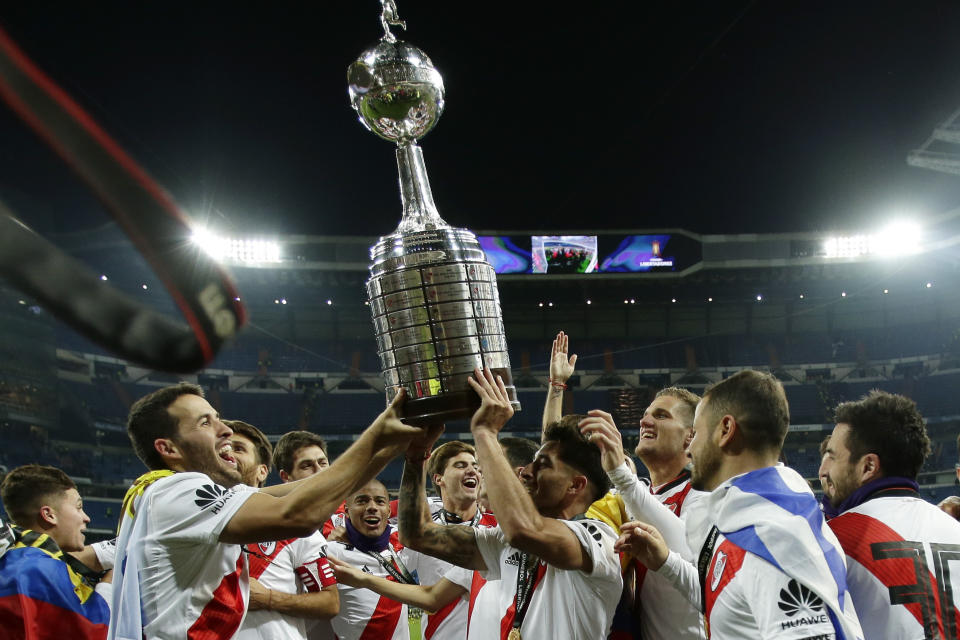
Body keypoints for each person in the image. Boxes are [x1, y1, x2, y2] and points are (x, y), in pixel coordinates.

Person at [108, 382, 425, 640]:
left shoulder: (156, 494)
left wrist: (397, 446)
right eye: (206, 422)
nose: (226, 431)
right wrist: (377, 433)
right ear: (168, 449)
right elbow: (297, 515)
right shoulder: (175, 491)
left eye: (218, 418)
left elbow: (295, 491)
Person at [616, 370, 863, 640]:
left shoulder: (774, 535)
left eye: (697, 433)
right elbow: (730, 602)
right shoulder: (747, 515)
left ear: (725, 430)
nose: (690, 449)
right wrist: (665, 563)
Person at [400, 368, 623, 640]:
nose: (526, 472)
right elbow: (417, 535)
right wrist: (416, 459)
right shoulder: (504, 543)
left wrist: (485, 433)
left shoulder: (598, 540)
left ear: (575, 486)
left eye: (543, 465)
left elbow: (524, 530)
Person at [547, 331, 704, 640]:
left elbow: (698, 569)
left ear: (690, 436)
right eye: (645, 415)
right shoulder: (631, 497)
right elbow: (555, 469)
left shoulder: (703, 494)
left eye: (661, 416)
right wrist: (556, 388)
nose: (645, 421)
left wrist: (621, 472)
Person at [821, 391, 960, 639]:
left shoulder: (831, 540)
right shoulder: (954, 529)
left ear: (868, 467)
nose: (826, 469)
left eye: (833, 457)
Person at [226, 420, 339, 640]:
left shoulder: (294, 526)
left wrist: (268, 598)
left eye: (238, 449)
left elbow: (329, 602)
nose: (229, 454)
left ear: (262, 471)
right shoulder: (196, 522)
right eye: (224, 448)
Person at [0, 464, 111, 640]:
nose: (86, 517)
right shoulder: (38, 570)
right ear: (49, 515)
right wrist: (109, 584)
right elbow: (94, 632)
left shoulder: (15, 560)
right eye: (78, 507)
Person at [322, 479, 417, 640]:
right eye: (362, 501)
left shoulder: (402, 546)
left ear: (388, 510)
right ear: (346, 510)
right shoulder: (332, 553)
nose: (372, 507)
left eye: (380, 501)